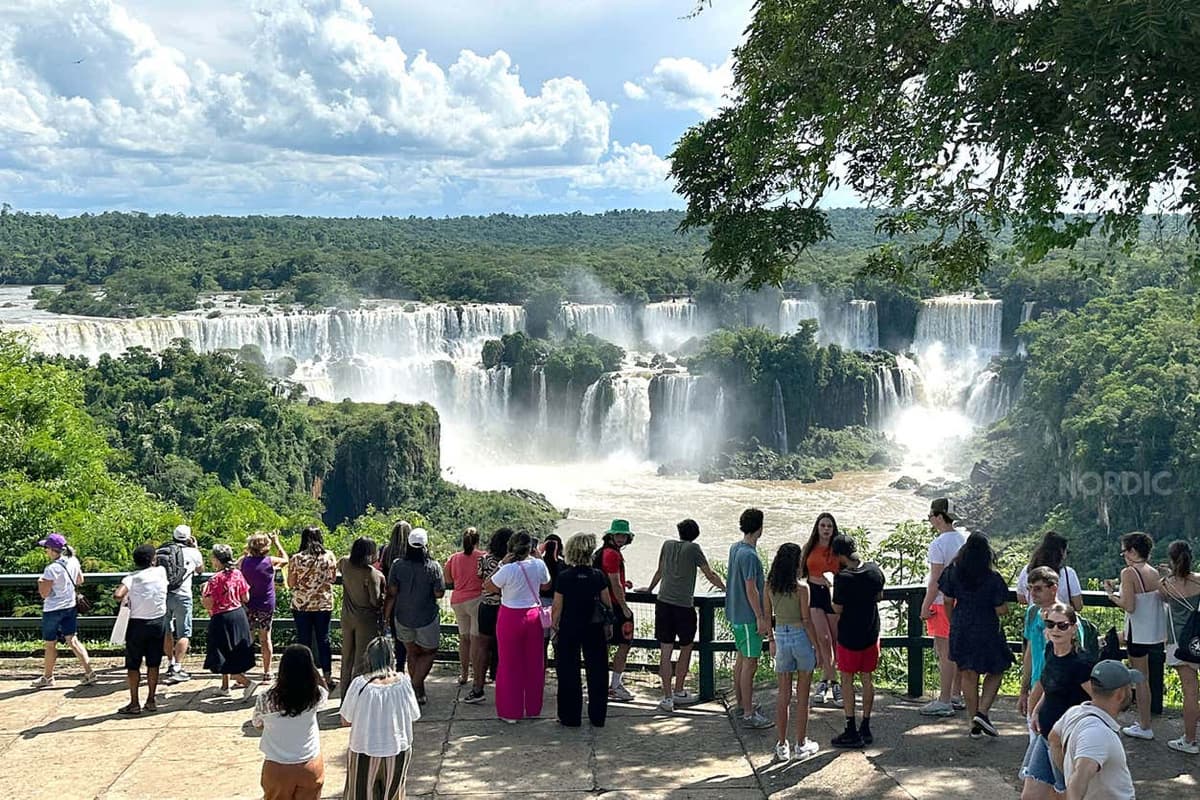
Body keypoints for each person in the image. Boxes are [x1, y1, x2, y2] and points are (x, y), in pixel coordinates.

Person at [638, 518, 726, 712]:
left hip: (663, 603)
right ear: (695, 534)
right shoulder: (694, 549)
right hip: (683, 606)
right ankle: (679, 690)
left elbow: (660, 571)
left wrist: (650, 589)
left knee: (665, 650)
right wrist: (727, 589)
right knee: (686, 647)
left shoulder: (667, 545)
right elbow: (709, 574)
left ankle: (667, 697)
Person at [938, 531, 1013, 738]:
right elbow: (1001, 609)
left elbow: (946, 600)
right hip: (987, 626)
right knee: (996, 668)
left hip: (961, 625)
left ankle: (974, 722)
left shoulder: (952, 573)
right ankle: (983, 712)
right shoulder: (992, 578)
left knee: (968, 673)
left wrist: (954, 621)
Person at [1022, 602, 1095, 800]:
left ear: (1073, 628)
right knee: (1030, 795)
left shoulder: (1080, 664)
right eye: (1050, 624)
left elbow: (1098, 701)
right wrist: (1037, 710)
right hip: (1044, 735)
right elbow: (1049, 686)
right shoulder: (1049, 651)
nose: (1055, 629)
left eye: (1062, 625)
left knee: (1064, 793)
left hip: (1066, 741)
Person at [340, 636, 421, 800]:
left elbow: (345, 720)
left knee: (360, 795)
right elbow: (414, 715)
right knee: (394, 795)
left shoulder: (359, 684)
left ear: (368, 657)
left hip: (364, 749)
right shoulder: (404, 682)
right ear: (391, 658)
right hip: (398, 749)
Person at [1103, 530, 1166, 741]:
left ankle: (1145, 725)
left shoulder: (1128, 573)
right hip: (1155, 633)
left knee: (1141, 680)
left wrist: (1112, 595)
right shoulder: (1153, 571)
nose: (1124, 556)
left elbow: (1129, 605)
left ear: (1132, 551)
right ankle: (1145, 722)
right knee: (1146, 679)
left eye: (1124, 552)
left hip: (1138, 634)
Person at [483, 531, 551, 723]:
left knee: (509, 664)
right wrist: (538, 558)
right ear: (530, 548)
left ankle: (511, 711)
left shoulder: (507, 569)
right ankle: (532, 708)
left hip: (510, 616)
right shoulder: (538, 565)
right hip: (533, 616)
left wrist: (502, 564)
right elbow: (546, 585)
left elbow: (489, 586)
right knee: (534, 663)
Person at [1049, 660, 1138, 800]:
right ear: (1120, 694)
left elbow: (1053, 739)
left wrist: (1068, 772)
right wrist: (1073, 779)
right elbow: (1079, 778)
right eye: (1129, 687)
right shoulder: (1098, 733)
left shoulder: (1075, 712)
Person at [764, 542, 820, 761]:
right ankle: (801, 743)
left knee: (783, 695)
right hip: (799, 637)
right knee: (803, 696)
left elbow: (767, 616)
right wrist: (816, 646)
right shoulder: (802, 588)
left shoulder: (769, 585)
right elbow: (807, 621)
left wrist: (771, 640)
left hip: (780, 637)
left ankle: (781, 744)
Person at [830, 533, 885, 748]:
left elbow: (837, 608)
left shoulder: (842, 578)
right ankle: (866, 726)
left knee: (846, 681)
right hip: (871, 634)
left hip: (849, 637)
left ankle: (850, 728)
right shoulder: (874, 570)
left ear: (840, 555)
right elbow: (879, 596)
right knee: (867, 679)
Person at [552, 532, 613, 728]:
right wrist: (609, 625)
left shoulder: (564, 577)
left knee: (568, 672)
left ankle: (570, 717)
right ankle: (597, 716)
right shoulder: (598, 575)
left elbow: (557, 607)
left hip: (570, 627)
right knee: (598, 672)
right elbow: (607, 604)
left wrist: (555, 625)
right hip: (594, 627)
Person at [253, 644, 327, 800]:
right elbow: (325, 689)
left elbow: (257, 725)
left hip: (276, 768)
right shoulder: (316, 695)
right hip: (309, 765)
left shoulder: (265, 697)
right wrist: (314, 671)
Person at [919, 497, 969, 716]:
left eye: (931, 516)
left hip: (941, 602)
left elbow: (935, 579)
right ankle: (956, 695)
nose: (930, 520)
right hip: (961, 601)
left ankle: (944, 700)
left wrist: (925, 605)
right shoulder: (964, 539)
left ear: (939, 517)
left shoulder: (938, 544)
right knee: (957, 650)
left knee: (944, 653)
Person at [383, 528, 444, 705]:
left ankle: (418, 690)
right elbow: (439, 593)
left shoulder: (397, 564)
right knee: (429, 652)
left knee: (412, 652)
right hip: (426, 617)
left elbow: (392, 590)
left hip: (402, 616)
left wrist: (386, 616)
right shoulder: (433, 567)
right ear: (426, 546)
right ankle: (414, 686)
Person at [31, 532, 95, 689]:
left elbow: (44, 594)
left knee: (50, 644)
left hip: (53, 610)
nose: (45, 551)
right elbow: (80, 580)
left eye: (46, 548)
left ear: (53, 550)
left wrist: (41, 582)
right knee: (72, 640)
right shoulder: (73, 561)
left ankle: (48, 677)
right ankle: (89, 672)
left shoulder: (51, 569)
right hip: (70, 607)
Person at [727, 508, 772, 728]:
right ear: (760, 528)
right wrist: (761, 617)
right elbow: (751, 589)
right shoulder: (750, 555)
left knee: (741, 660)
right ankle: (747, 713)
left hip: (736, 613)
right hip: (748, 617)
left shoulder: (735, 548)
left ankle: (742, 704)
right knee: (750, 663)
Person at [1017, 567, 1062, 784]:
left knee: (1049, 741)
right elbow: (1029, 653)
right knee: (1035, 738)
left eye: (1037, 589)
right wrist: (1024, 689)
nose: (1032, 594)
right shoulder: (1033, 612)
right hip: (1036, 681)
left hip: (1053, 687)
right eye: (1030, 589)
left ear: (1053, 589)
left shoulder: (1064, 618)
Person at [113, 543, 168, 714]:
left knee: (133, 665)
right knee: (154, 663)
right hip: (158, 622)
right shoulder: (161, 572)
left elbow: (118, 594)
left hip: (137, 624)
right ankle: (151, 699)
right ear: (152, 560)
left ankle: (134, 702)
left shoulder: (131, 578)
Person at [201, 543, 259, 699]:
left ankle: (247, 682)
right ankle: (225, 686)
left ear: (217, 560)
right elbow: (245, 597)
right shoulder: (237, 574)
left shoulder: (213, 580)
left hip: (221, 618)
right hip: (238, 615)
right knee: (233, 650)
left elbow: (209, 603)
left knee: (221, 653)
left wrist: (203, 593)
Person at [1157, 539, 1200, 754]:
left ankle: (1190, 740)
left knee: (1190, 693)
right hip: (1198, 639)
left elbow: (1163, 599)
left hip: (1179, 643)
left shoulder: (1166, 584)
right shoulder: (1199, 582)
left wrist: (1166, 574)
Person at [464, 527, 512, 705]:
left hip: (487, 607)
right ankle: (506, 688)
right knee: (506, 649)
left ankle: (478, 687)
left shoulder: (484, 559)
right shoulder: (514, 563)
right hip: (507, 608)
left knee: (482, 647)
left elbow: (480, 578)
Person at [800, 512, 843, 706]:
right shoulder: (809, 548)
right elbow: (800, 572)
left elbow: (849, 570)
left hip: (833, 594)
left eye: (829, 526)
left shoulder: (839, 549)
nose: (826, 529)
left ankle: (825, 682)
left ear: (833, 529)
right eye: (823, 525)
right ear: (817, 528)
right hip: (814, 593)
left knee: (834, 640)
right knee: (823, 639)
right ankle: (834, 682)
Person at [288, 526, 338, 691]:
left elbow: (291, 583)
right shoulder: (328, 556)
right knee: (324, 640)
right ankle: (328, 676)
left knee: (304, 640)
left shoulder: (296, 559)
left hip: (301, 605)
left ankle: (306, 677)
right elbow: (332, 579)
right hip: (323, 604)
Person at [338, 537, 386, 694]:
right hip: (365, 620)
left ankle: (344, 695)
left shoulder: (344, 563)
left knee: (346, 658)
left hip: (347, 616)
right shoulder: (372, 574)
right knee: (361, 660)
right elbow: (375, 601)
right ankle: (357, 696)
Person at [239, 531, 289, 682]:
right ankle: (267, 672)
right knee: (265, 638)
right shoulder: (269, 561)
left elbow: (234, 567)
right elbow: (285, 559)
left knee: (247, 638)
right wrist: (277, 542)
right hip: (266, 604)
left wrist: (246, 553)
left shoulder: (244, 561)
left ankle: (242, 672)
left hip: (248, 603)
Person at [597, 519, 637, 702]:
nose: (621, 538)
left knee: (603, 645)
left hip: (603, 607)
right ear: (611, 536)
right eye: (619, 535)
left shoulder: (602, 553)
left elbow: (613, 579)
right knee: (624, 644)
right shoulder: (613, 555)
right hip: (614, 607)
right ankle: (615, 685)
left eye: (623, 535)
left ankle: (602, 683)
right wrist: (624, 607)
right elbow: (614, 582)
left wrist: (623, 582)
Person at [160, 524, 204, 685]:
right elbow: (200, 570)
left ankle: (170, 663)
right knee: (184, 632)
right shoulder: (193, 553)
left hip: (164, 595)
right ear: (189, 538)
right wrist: (196, 548)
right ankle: (177, 667)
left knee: (167, 631)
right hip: (183, 595)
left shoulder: (163, 551)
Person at [444, 527, 484, 685]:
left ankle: (464, 673)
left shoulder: (453, 558)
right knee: (475, 640)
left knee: (464, 638)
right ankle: (476, 675)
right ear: (477, 541)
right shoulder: (483, 557)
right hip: (476, 600)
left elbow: (447, 579)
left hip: (458, 600)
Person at [1016, 531, 1084, 611]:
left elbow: (1021, 598)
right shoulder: (1068, 573)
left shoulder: (1027, 570)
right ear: (1061, 553)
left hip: (1035, 620)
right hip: (1061, 619)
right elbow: (1078, 605)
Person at [379, 520, 412, 672]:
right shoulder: (411, 552)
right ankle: (404, 664)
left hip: (391, 597)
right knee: (407, 635)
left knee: (394, 632)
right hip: (408, 598)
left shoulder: (385, 551)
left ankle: (395, 665)